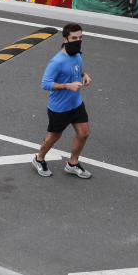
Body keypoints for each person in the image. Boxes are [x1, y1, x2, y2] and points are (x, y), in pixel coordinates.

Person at [31, 22, 93, 179]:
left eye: (80, 37)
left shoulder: (78, 55)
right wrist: (68, 85)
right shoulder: (56, 61)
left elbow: (76, 68)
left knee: (84, 133)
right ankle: (39, 159)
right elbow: (45, 84)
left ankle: (72, 163)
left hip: (76, 104)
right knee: (54, 137)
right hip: (59, 108)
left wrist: (84, 75)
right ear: (65, 39)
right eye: (74, 38)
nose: (78, 41)